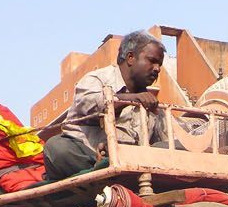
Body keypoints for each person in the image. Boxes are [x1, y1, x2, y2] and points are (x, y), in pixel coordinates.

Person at [42, 31, 165, 182]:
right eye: (152, 61)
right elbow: (89, 104)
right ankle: (103, 168)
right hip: (87, 155)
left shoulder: (151, 103)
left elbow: (168, 137)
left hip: (130, 163)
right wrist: (128, 99)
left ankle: (116, 171)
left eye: (160, 64)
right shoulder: (98, 79)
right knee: (56, 148)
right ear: (131, 58)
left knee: (168, 148)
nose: (157, 69)